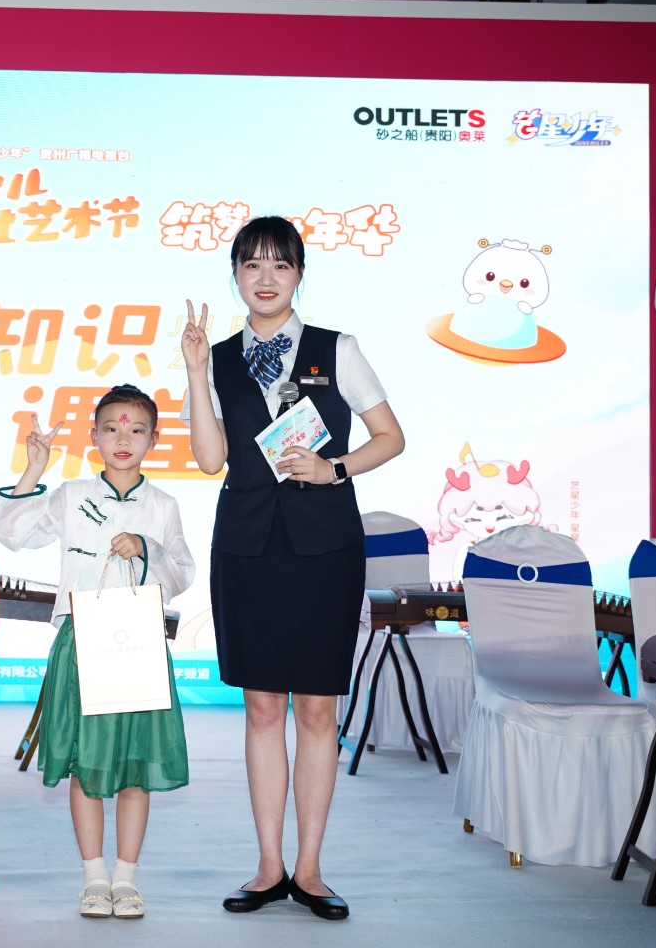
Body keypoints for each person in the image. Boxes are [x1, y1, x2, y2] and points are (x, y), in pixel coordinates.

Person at [181, 216, 405, 920]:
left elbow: (391, 437)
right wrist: (194, 373)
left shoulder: (338, 348)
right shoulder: (218, 357)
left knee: (315, 707)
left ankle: (309, 870)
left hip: (324, 547)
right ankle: (268, 866)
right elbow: (209, 459)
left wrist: (335, 467)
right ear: (235, 276)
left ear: (300, 274)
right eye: (252, 265)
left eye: (280, 264)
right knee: (260, 706)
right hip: (246, 545)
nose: (266, 277)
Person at [0, 387, 196, 919]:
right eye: (111, 429)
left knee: (135, 764)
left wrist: (147, 549)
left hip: (138, 645)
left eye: (136, 430)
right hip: (81, 643)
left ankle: (126, 879)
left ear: (155, 438)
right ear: (94, 436)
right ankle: (94, 878)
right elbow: (11, 532)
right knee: (86, 764)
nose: (123, 439)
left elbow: (182, 574)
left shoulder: (164, 506)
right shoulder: (71, 494)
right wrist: (34, 469)